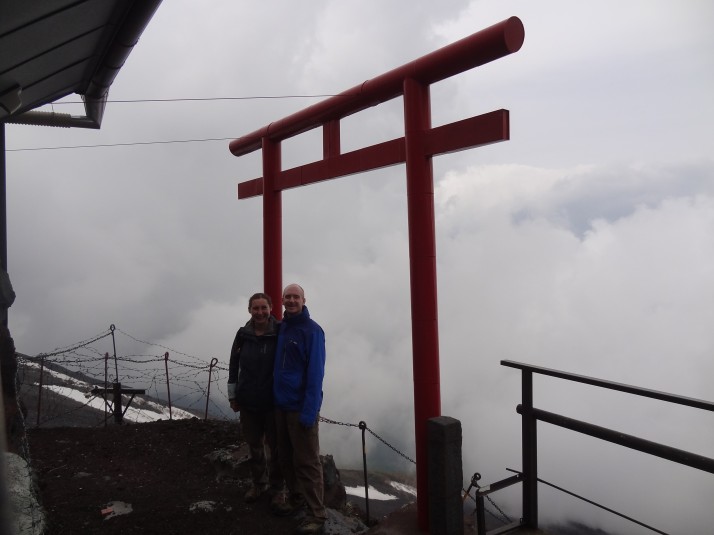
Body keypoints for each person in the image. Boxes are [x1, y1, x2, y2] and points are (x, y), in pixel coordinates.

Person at [271, 284, 327, 535]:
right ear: (282, 300)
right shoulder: (283, 328)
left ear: (304, 300)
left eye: (296, 297)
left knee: (307, 461)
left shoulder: (312, 331)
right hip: (280, 406)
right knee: (285, 458)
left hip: (299, 407)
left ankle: (317, 513)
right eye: (288, 297)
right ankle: (297, 499)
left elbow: (316, 374)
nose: (291, 300)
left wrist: (309, 410)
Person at [227, 292, 283, 504]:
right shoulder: (243, 334)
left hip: (273, 402)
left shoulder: (279, 332)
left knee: (276, 449)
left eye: (263, 308)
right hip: (248, 400)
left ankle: (278, 488)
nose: (260, 312)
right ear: (249, 310)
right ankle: (259, 484)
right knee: (254, 446)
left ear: (270, 309)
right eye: (255, 308)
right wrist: (233, 396)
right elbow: (234, 365)